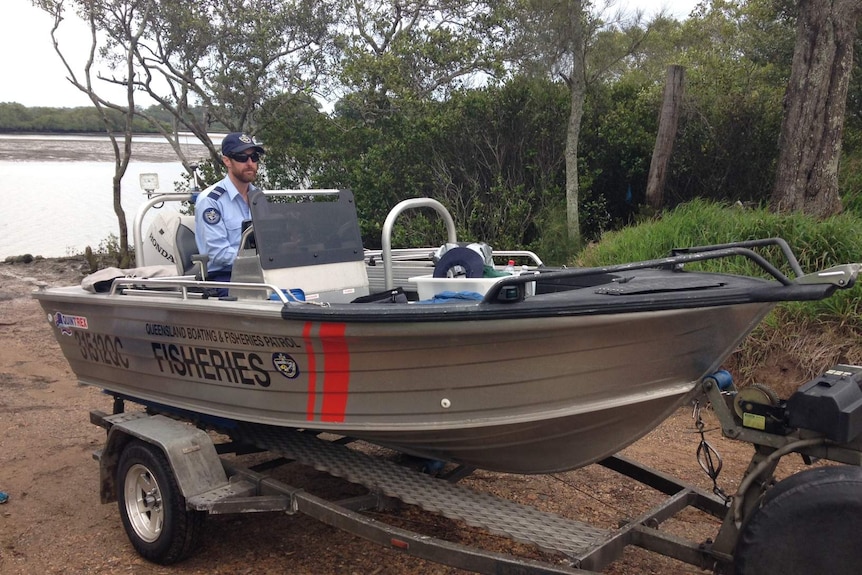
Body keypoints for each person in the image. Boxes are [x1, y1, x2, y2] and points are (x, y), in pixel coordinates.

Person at [194, 133, 265, 292]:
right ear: (227, 161)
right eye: (242, 157)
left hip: (262, 273)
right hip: (226, 277)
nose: (250, 163)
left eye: (254, 157)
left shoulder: (258, 197)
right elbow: (218, 254)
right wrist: (261, 260)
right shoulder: (211, 201)